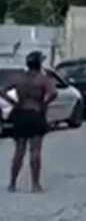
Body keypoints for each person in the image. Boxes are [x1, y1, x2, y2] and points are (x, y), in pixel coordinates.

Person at [1, 51, 57, 192]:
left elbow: (2, 90)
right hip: (35, 113)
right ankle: (35, 184)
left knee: (19, 150)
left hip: (20, 113)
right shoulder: (43, 79)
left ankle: (12, 183)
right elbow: (54, 93)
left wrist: (13, 102)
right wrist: (44, 103)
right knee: (35, 150)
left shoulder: (20, 78)